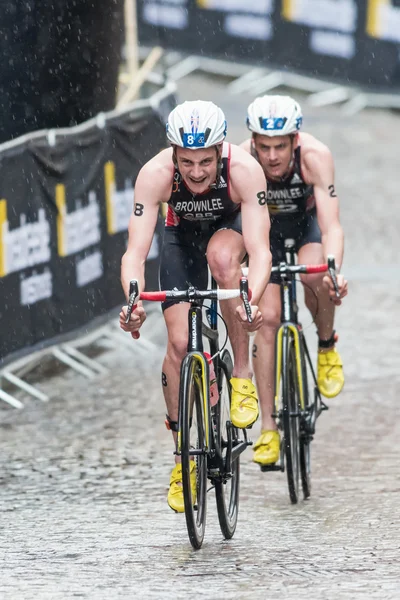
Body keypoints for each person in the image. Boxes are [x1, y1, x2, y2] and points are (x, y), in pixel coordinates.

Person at [120, 100, 272, 511]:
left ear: (221, 150)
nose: (197, 172)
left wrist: (250, 299)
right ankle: (182, 458)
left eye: (206, 161)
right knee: (177, 345)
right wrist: (133, 300)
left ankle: (240, 375)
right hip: (181, 239)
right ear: (173, 153)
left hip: (229, 230)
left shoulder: (244, 170)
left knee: (224, 260)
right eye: (186, 162)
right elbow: (134, 253)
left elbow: (260, 253)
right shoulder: (155, 175)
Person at [241, 95, 348, 467]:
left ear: (295, 141)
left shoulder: (316, 157)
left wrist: (333, 268)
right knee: (267, 319)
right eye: (264, 147)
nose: (271, 156)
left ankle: (326, 346)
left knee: (317, 276)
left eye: (280, 147)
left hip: (306, 228)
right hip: (264, 236)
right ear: (253, 141)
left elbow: (332, 225)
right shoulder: (242, 160)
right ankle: (268, 428)